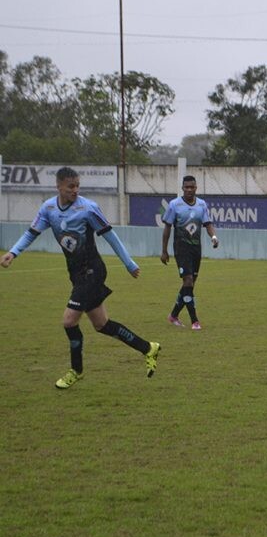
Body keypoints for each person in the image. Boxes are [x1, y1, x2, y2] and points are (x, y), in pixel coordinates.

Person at [0, 166, 160, 389]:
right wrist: (12, 253)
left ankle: (76, 370)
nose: (75, 190)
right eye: (70, 187)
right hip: (76, 273)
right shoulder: (48, 209)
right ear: (59, 186)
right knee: (101, 324)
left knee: (69, 320)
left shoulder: (88, 208)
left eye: (77, 186)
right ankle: (148, 348)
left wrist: (129, 263)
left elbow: (110, 236)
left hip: (92, 270)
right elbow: (31, 233)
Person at [160, 175, 219, 329]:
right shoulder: (174, 205)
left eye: (192, 187)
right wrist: (164, 251)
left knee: (189, 286)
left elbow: (208, 223)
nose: (189, 190)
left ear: (196, 188)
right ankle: (195, 321)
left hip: (196, 248)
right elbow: (167, 228)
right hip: (181, 247)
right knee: (188, 281)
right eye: (186, 187)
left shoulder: (201, 204)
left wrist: (213, 236)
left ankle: (173, 316)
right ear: (182, 188)